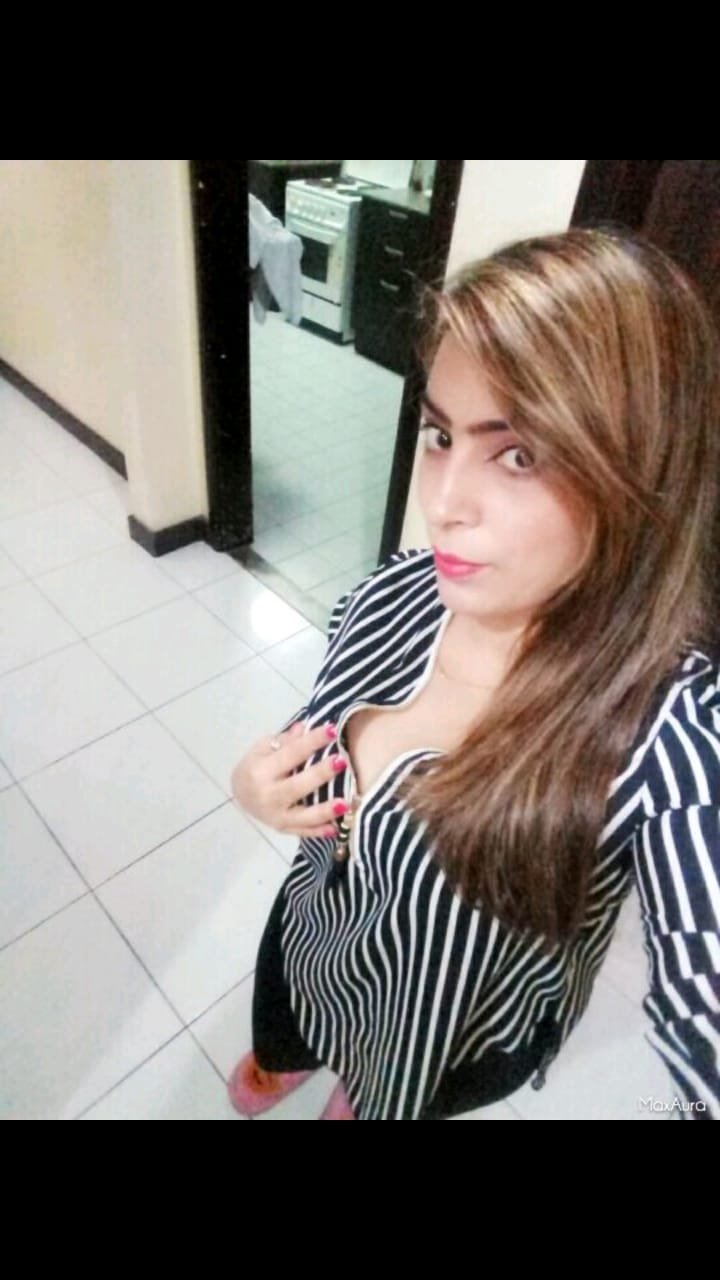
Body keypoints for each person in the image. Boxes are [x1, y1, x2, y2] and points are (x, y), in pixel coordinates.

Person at [229, 228, 720, 1120]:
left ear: (641, 472)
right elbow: (314, 739)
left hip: (447, 1029)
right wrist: (259, 782)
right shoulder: (394, 590)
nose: (444, 502)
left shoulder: (665, 733)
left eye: (519, 453)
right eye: (440, 434)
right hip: (311, 938)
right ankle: (283, 1058)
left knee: (385, 1093)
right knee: (285, 1024)